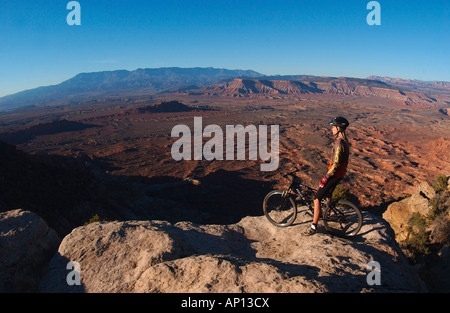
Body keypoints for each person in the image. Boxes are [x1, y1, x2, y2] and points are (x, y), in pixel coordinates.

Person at [302, 116, 350, 236]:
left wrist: (325, 177)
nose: (332, 129)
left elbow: (336, 163)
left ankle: (314, 226)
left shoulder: (339, 143)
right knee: (328, 194)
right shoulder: (343, 141)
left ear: (339, 128)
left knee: (317, 198)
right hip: (339, 174)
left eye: (333, 127)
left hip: (335, 174)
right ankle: (326, 215)